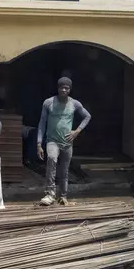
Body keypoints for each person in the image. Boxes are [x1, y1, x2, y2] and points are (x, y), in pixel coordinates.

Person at [37, 77, 91, 206]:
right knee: (51, 159)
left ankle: (63, 196)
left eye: (67, 88)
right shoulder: (48, 103)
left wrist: (77, 131)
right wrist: (39, 144)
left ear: (70, 90)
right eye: (61, 87)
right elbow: (41, 124)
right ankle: (50, 194)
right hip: (52, 141)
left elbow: (87, 116)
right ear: (58, 88)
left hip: (67, 143)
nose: (64, 90)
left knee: (64, 170)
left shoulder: (74, 104)